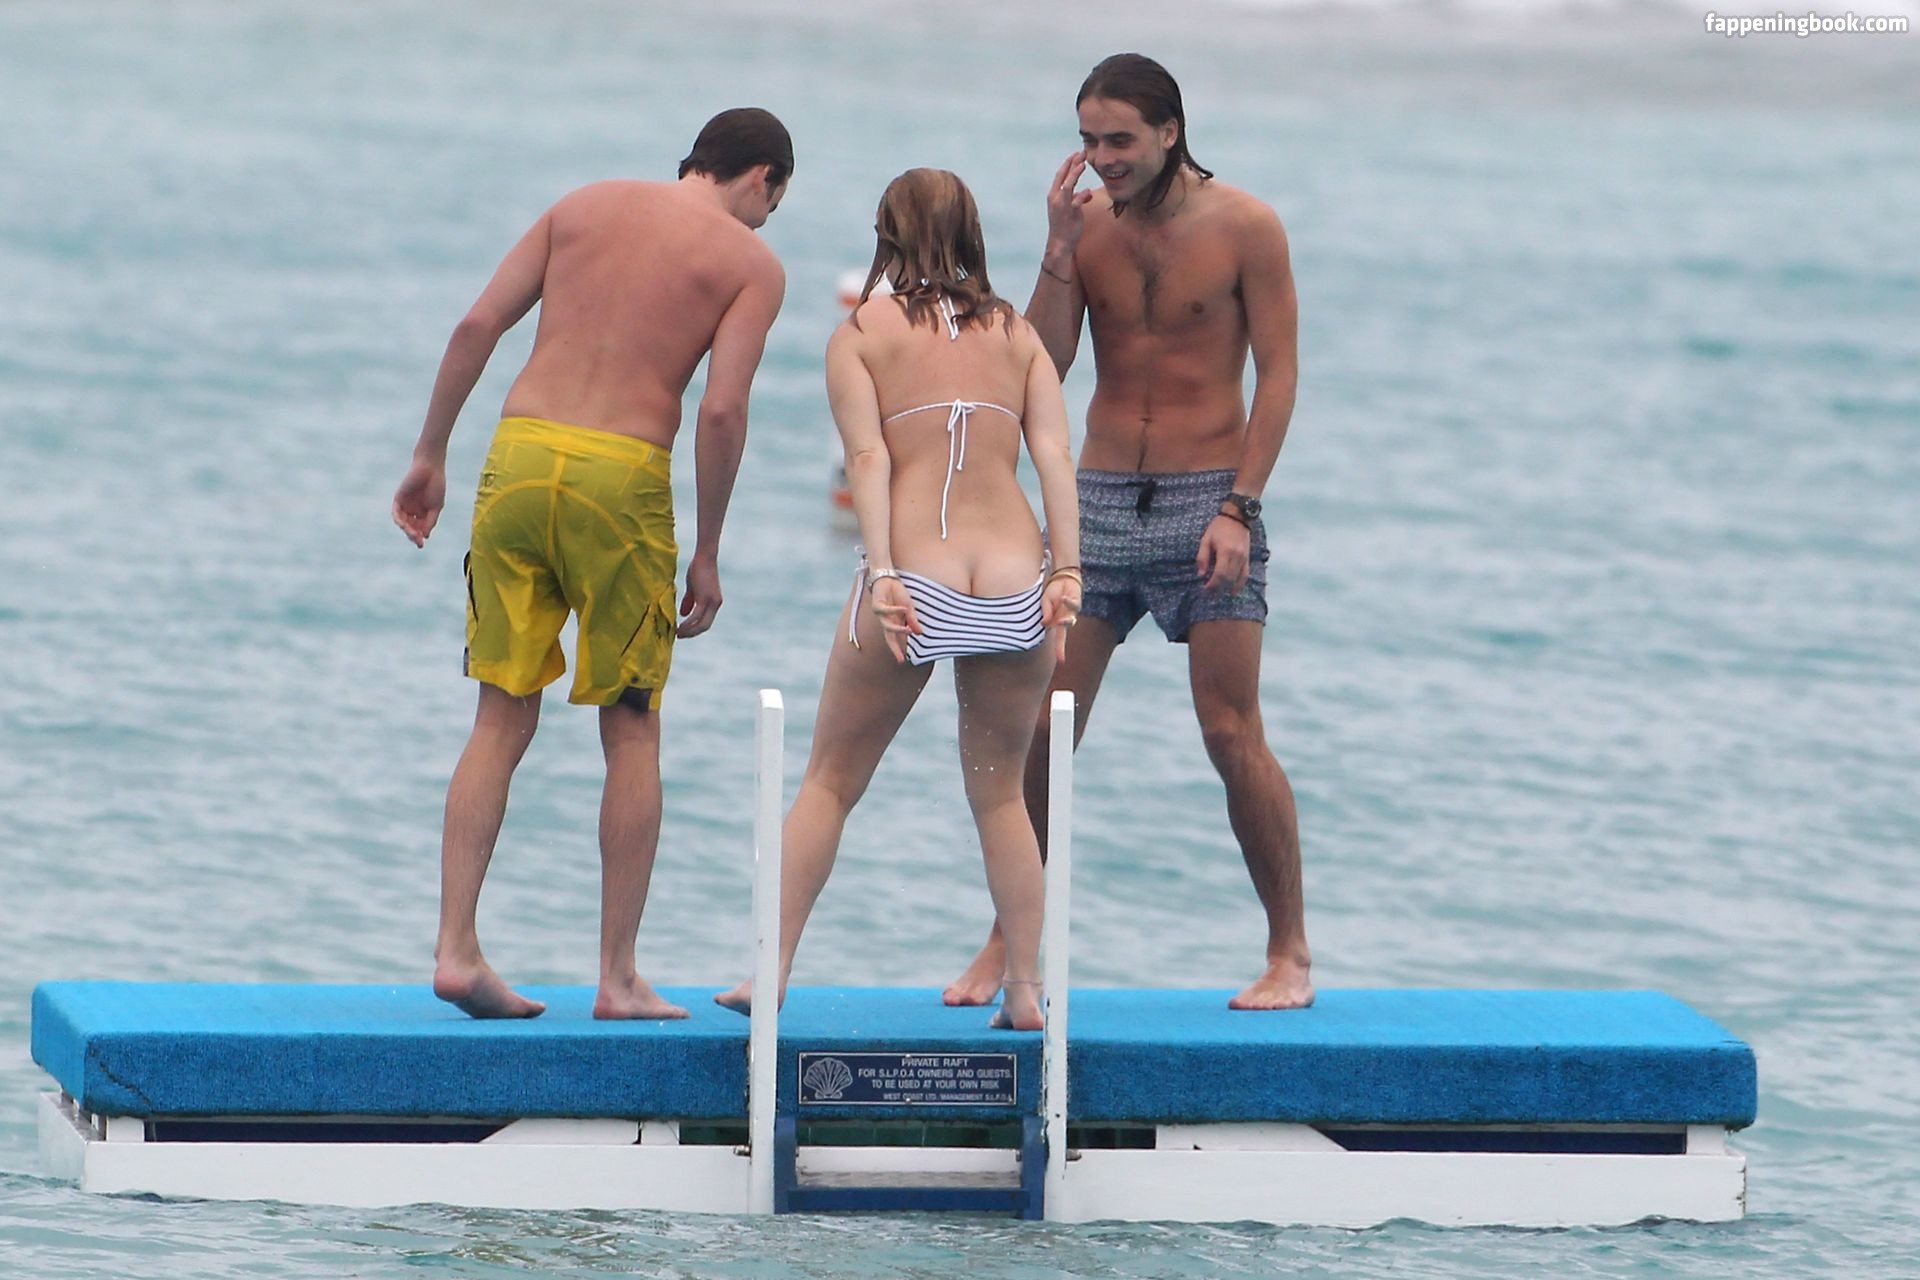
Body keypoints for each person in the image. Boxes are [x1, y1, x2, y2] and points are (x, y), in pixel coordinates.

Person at [389, 108, 791, 1020]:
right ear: (762, 176)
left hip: (519, 458)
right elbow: (721, 411)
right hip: (621, 480)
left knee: (499, 715)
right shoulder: (751, 264)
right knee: (632, 727)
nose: (765, 221)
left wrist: (430, 454)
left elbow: (476, 324)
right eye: (772, 203)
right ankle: (616, 976)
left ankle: (455, 949)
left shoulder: (581, 206)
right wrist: (710, 549)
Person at [945, 54, 1314, 1011]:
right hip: (1101, 501)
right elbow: (1043, 363)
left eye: (1119, 140)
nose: (1102, 158)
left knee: (1229, 730)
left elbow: (1278, 376)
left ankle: (1289, 952)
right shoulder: (1089, 229)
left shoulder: (1246, 226)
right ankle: (1008, 939)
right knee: (1044, 725)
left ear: (1169, 132)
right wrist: (1058, 249)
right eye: (1088, 140)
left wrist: (1241, 507)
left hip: (1209, 501)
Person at [716, 169, 1082, 1032]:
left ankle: (769, 974)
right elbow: (1054, 456)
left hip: (915, 576)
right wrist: (1068, 572)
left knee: (830, 783)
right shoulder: (1019, 334)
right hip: (1016, 582)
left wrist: (882, 571)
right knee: (1001, 797)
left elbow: (869, 461)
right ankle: (1023, 989)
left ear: (885, 232)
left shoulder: (862, 335)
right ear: (974, 230)